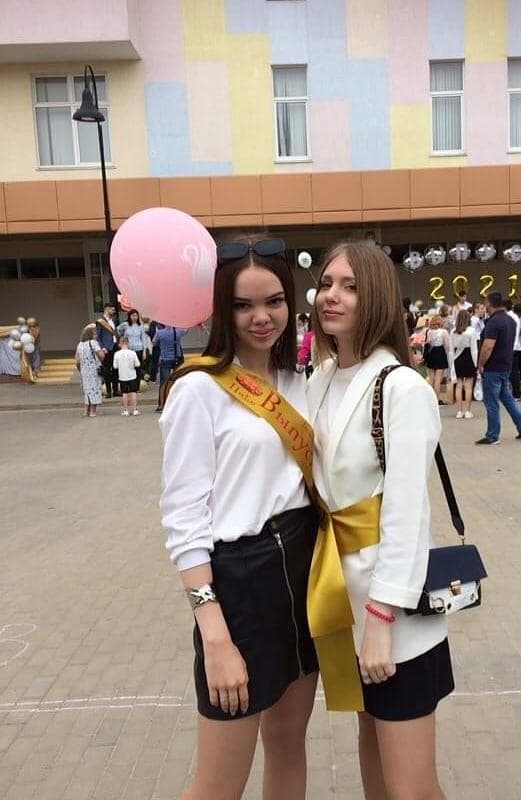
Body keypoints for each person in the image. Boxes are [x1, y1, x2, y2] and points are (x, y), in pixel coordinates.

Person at [159, 236, 319, 800]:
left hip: (303, 568)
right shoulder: (197, 390)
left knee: (288, 745)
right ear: (221, 311)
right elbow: (184, 518)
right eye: (243, 305)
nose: (261, 317)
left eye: (273, 302)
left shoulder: (301, 383)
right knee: (218, 784)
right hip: (240, 582)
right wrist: (215, 636)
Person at [309, 240, 453, 800]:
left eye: (350, 287)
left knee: (411, 786)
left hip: (393, 613)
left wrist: (381, 616)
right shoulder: (321, 379)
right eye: (326, 284)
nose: (332, 296)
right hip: (340, 594)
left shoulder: (401, 387)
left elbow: (407, 513)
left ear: (377, 299)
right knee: (371, 751)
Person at [476, 292, 521, 445]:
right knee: (506, 396)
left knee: (491, 401)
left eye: (485, 303)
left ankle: (493, 435)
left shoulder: (493, 322)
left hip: (493, 366)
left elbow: (488, 346)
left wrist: (481, 364)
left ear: (489, 304)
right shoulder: (510, 320)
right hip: (506, 363)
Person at [449, 309, 477, 419]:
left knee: (459, 385)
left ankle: (459, 411)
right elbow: (474, 349)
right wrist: (475, 364)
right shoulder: (471, 331)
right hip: (469, 357)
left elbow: (451, 350)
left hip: (457, 358)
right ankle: (467, 411)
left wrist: (452, 363)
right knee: (468, 386)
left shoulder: (453, 331)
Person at [153, 324, 188, 413]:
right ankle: (178, 404)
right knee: (178, 382)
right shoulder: (178, 331)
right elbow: (186, 329)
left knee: (164, 383)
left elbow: (154, 343)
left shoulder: (160, 333)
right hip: (177, 359)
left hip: (165, 359)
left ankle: (162, 405)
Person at [74, 324, 104, 417]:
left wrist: (80, 369)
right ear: (91, 334)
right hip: (94, 370)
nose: (96, 335)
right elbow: (101, 356)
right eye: (95, 333)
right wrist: (103, 352)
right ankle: (93, 411)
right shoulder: (94, 343)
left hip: (84, 371)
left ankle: (86, 411)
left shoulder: (80, 344)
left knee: (87, 390)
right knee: (94, 390)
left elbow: (77, 360)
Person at [423, 316, 450, 405]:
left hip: (431, 354)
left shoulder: (429, 331)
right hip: (440, 353)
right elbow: (447, 345)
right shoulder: (444, 332)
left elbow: (426, 343)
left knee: (432, 379)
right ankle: (436, 399)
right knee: (438, 379)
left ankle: (430, 399)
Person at [117, 309, 147, 390]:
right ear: (129, 316)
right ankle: (128, 386)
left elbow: (143, 339)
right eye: (133, 316)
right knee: (128, 368)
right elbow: (116, 331)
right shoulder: (125, 325)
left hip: (139, 349)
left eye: (136, 316)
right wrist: (121, 340)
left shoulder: (140, 326)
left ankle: (136, 387)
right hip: (128, 350)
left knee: (138, 368)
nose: (135, 317)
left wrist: (144, 351)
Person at [113, 336, 141, 416]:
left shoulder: (117, 354)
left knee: (124, 393)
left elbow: (115, 366)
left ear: (120, 344)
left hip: (122, 376)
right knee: (133, 392)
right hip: (132, 375)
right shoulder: (133, 353)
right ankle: (135, 410)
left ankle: (125, 410)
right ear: (128, 343)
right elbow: (137, 364)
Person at [96, 303, 120, 398]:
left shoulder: (113, 320)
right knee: (107, 370)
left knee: (115, 369)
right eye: (112, 310)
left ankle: (115, 390)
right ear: (107, 309)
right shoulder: (100, 321)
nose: (114, 312)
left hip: (115, 347)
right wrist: (102, 347)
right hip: (106, 348)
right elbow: (98, 337)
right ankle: (108, 392)